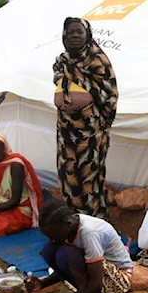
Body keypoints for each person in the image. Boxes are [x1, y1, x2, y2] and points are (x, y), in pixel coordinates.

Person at [53, 17, 119, 220]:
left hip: (91, 133)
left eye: (79, 32)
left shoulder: (97, 60)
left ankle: (93, 220)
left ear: (87, 34)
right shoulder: (62, 61)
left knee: (89, 176)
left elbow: (109, 94)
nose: (74, 36)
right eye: (70, 32)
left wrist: (97, 117)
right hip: (66, 130)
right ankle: (73, 218)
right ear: (64, 35)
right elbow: (59, 79)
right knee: (68, 173)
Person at [29, 199, 133, 293]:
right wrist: (43, 283)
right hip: (97, 270)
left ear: (67, 224)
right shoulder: (68, 226)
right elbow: (66, 268)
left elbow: (96, 282)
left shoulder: (89, 233)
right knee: (49, 250)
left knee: (66, 255)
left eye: (54, 235)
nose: (52, 240)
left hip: (118, 276)